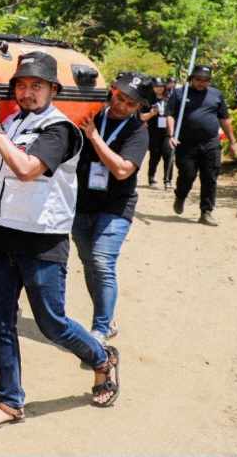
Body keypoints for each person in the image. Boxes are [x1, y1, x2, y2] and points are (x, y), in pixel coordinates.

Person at [0, 51, 120, 432]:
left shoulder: (60, 130)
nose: (27, 92)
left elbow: (25, 169)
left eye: (36, 85)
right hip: (0, 235)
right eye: (21, 84)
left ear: (53, 89)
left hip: (42, 242)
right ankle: (10, 402)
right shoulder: (13, 122)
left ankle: (102, 359)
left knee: (52, 323)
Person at [72, 71, 151, 346]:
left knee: (103, 263)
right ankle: (108, 318)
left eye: (131, 104)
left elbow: (120, 170)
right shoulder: (92, 112)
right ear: (113, 91)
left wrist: (94, 137)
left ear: (139, 108)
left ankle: (100, 330)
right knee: (89, 263)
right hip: (81, 203)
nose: (122, 106)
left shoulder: (138, 132)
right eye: (120, 98)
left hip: (116, 206)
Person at [166, 64, 237, 226]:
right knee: (187, 175)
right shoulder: (180, 93)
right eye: (199, 79)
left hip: (211, 142)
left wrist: (232, 141)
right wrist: (172, 135)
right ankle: (180, 195)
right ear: (192, 78)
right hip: (186, 143)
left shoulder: (216, 95)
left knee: (210, 178)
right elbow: (170, 115)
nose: (202, 83)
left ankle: (206, 212)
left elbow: (224, 119)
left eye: (206, 80)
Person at [140, 76, 174, 189]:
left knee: (168, 155)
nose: (159, 88)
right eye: (156, 86)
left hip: (167, 132)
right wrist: (151, 114)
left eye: (161, 86)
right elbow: (142, 117)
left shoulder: (170, 98)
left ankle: (167, 180)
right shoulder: (148, 100)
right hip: (153, 131)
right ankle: (151, 176)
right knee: (155, 156)